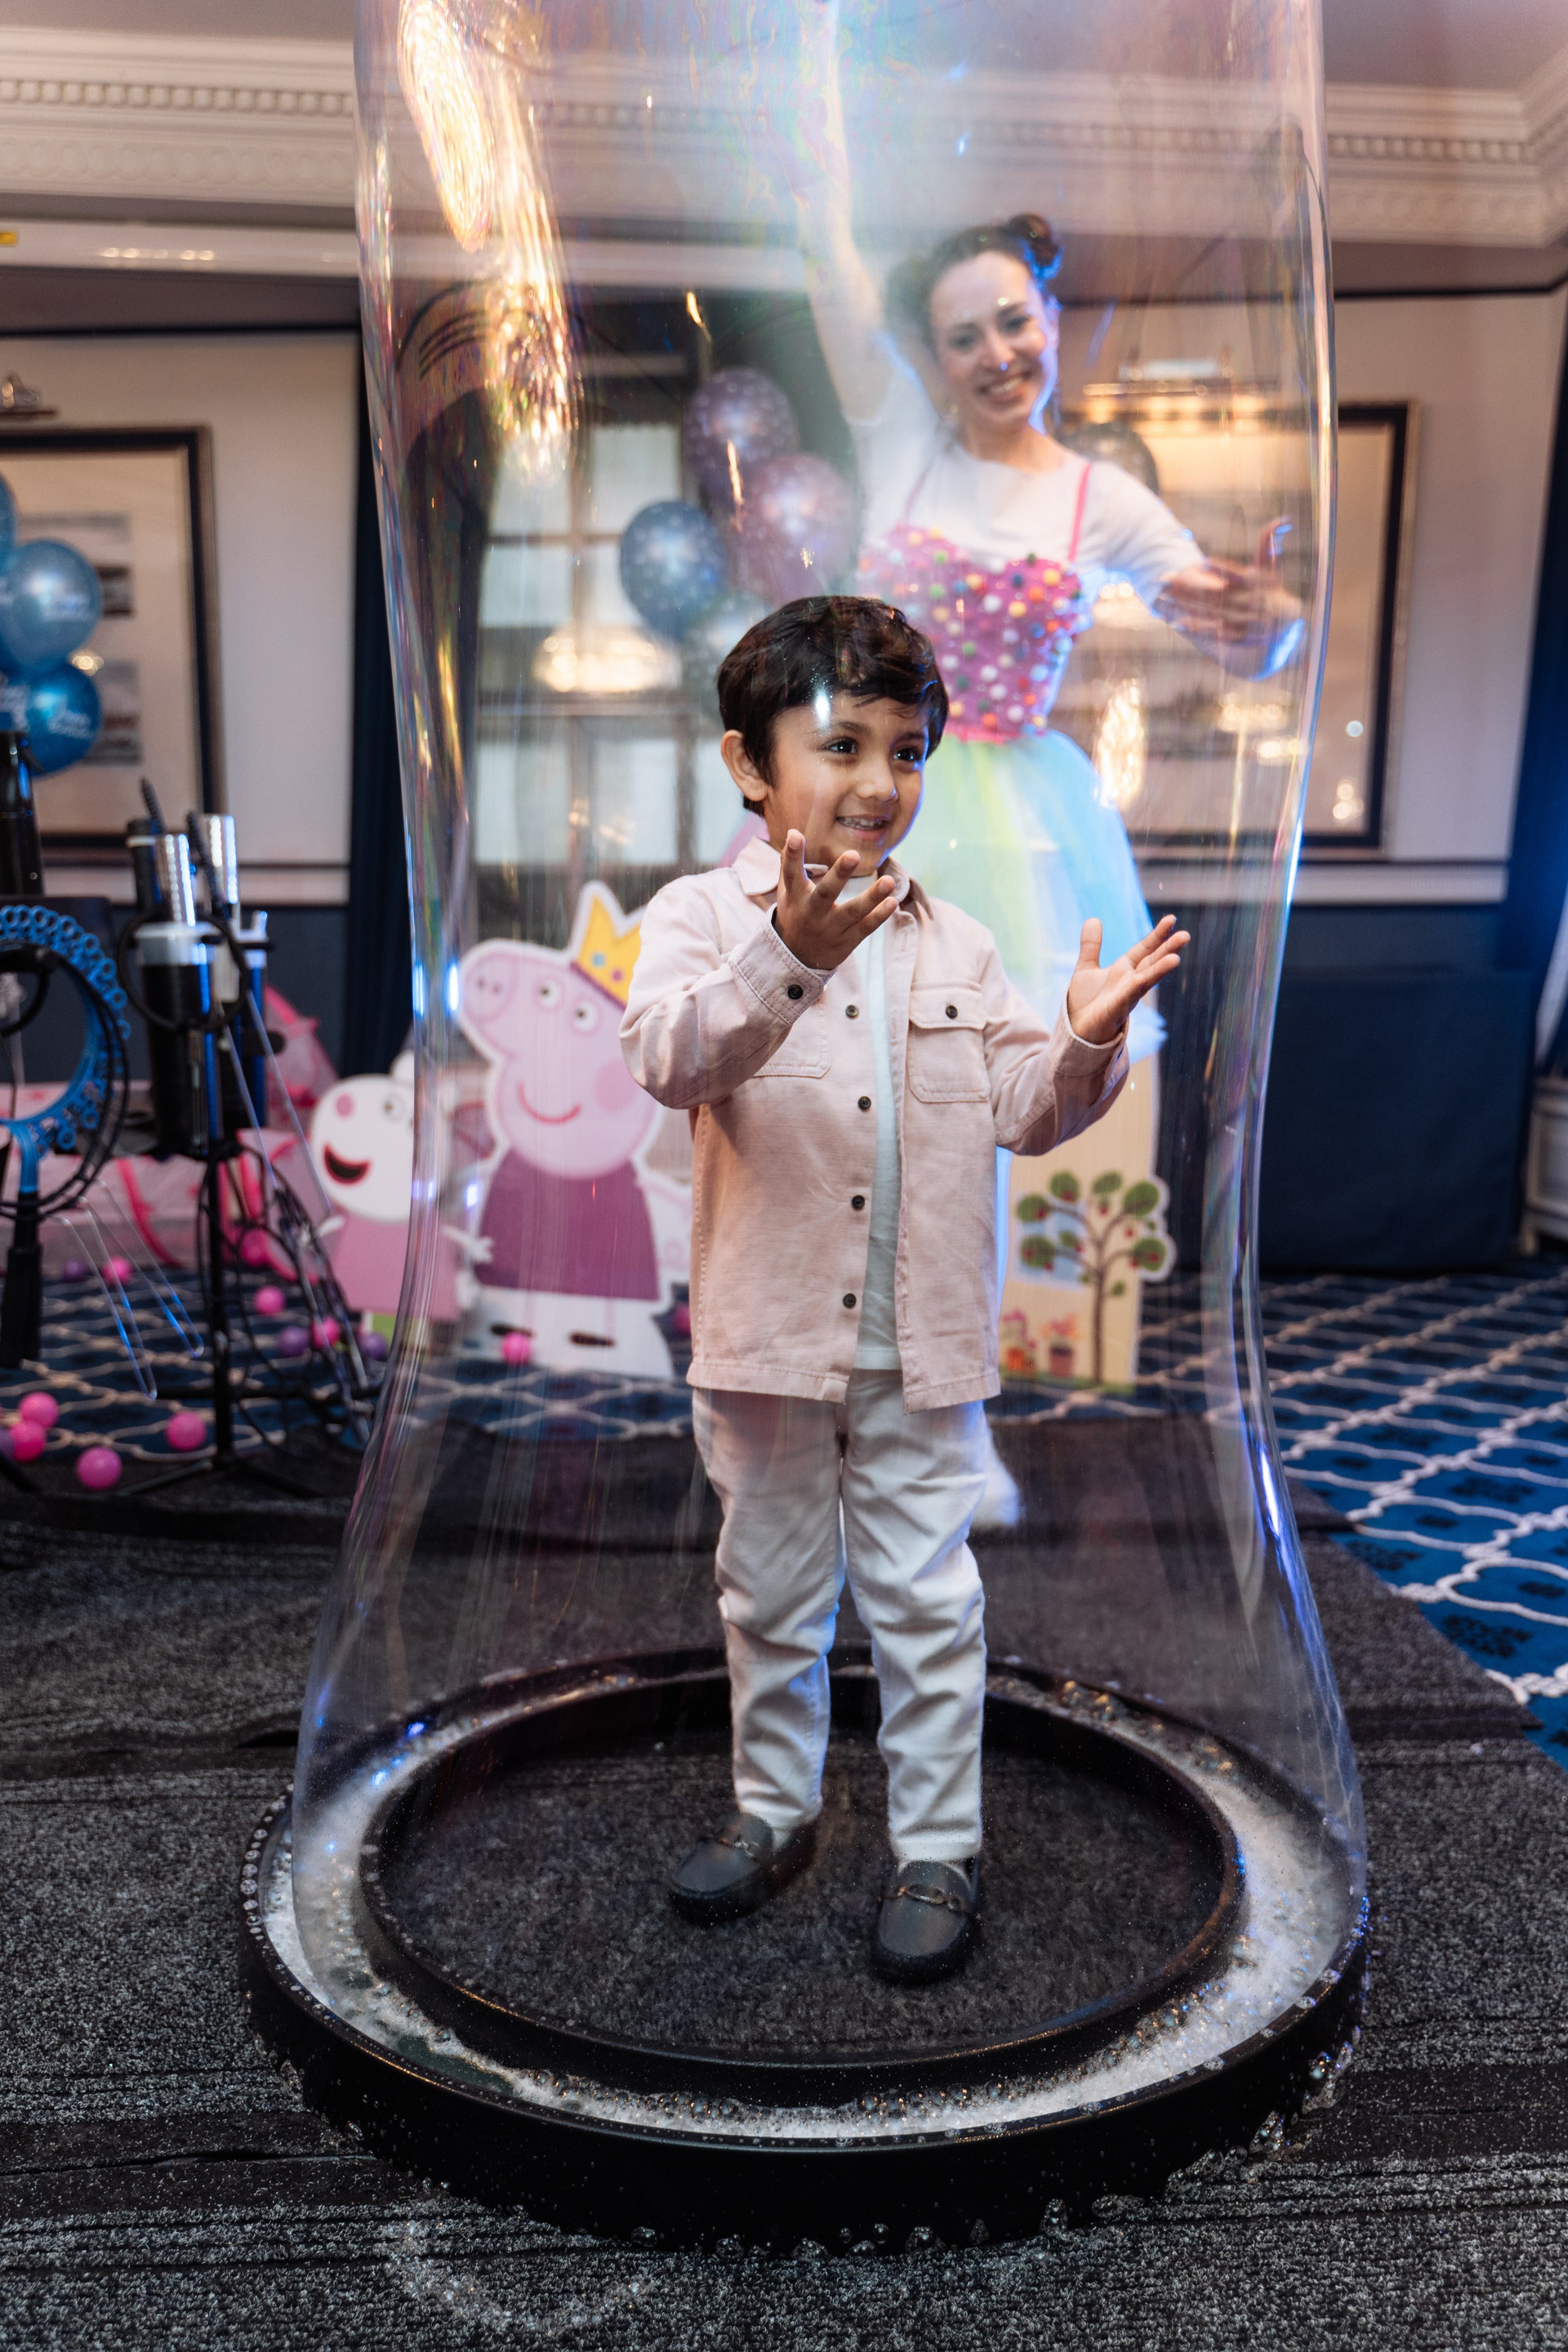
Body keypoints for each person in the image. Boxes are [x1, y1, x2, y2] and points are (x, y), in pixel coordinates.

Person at [621, 599, 1187, 1983]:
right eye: (843, 745)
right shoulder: (698, 918)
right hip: (765, 1344)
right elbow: (670, 1060)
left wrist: (1082, 1043)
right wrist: (793, 955)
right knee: (768, 1594)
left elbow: (1025, 1109)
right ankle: (773, 1812)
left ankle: (939, 1846)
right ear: (750, 765)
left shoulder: (959, 942)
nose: (882, 781)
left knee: (930, 1608)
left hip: (918, 1346)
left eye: (909, 750)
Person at [786, 0, 1299, 1027]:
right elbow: (822, 254)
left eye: (1014, 321)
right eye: (963, 338)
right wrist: (814, 68)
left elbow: (1240, 643)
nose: (997, 354)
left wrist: (1272, 626)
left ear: (1051, 321)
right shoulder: (899, 439)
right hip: (866, 790)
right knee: (845, 1048)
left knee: (996, 1054)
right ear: (935, 360)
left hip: (1025, 836)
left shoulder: (1101, 499)